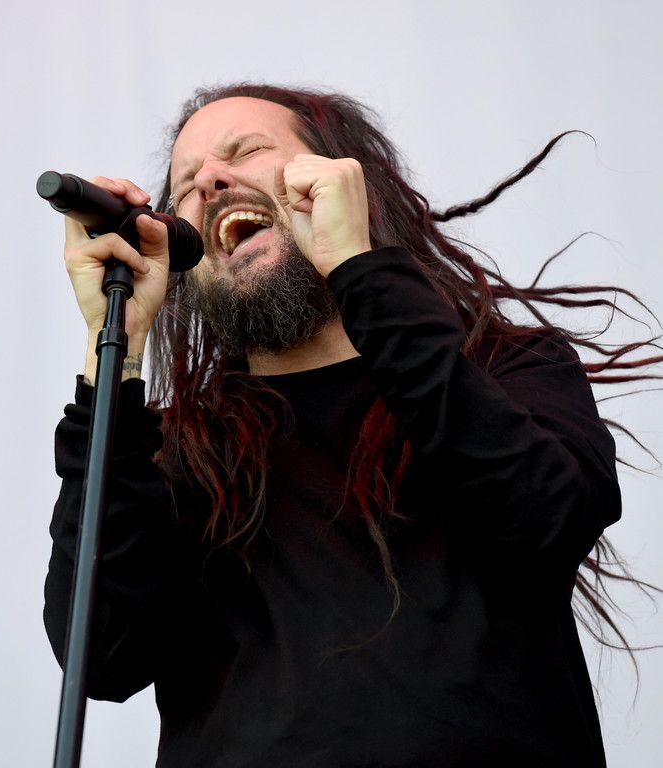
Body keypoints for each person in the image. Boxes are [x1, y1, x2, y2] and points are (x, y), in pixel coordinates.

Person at [44, 84, 633, 767]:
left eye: (247, 150)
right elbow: (103, 656)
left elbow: (549, 517)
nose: (209, 180)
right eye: (185, 186)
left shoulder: (509, 372)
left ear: (346, 184)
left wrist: (360, 267)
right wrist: (113, 353)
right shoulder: (171, 451)